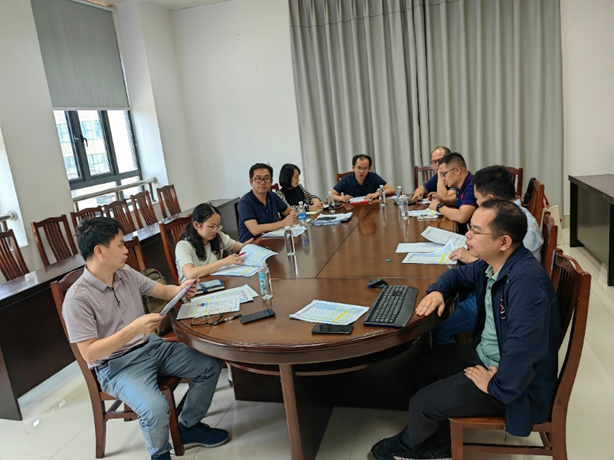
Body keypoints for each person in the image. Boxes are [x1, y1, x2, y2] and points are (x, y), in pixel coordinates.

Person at [370, 200, 561, 460]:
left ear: (504, 241)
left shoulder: (526, 283)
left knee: (421, 403)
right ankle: (441, 433)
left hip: (511, 382)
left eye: (475, 231)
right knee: (422, 364)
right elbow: (457, 276)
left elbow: (525, 350)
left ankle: (407, 446)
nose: (467, 236)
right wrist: (438, 291)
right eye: (469, 228)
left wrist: (496, 386)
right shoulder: (495, 263)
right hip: (487, 354)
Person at [63, 217, 229, 460]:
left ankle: (188, 427)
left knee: (210, 364)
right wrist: (133, 329)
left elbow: (161, 290)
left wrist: (182, 289)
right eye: (120, 245)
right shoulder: (77, 298)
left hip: (150, 347)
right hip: (116, 365)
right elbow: (89, 352)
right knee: (155, 409)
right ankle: (159, 455)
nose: (126, 250)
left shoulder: (124, 273)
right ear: (99, 251)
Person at [435, 165, 545, 345]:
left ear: (491, 199)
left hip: (502, 300)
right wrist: (438, 290)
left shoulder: (521, 235)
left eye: (477, 199)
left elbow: (522, 345)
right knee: (455, 290)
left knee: (439, 326)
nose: (476, 204)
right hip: (491, 288)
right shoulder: (507, 220)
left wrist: (471, 258)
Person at [175, 203, 254, 283]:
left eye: (218, 226)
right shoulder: (183, 246)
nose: (215, 230)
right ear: (196, 225)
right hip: (193, 288)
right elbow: (190, 274)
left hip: (213, 281)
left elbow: (236, 246)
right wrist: (223, 262)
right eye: (211, 227)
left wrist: (245, 246)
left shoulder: (218, 236)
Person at [238, 163, 298, 242]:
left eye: (266, 178)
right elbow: (255, 229)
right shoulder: (245, 202)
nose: (262, 182)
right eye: (258, 178)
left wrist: (293, 215)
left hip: (272, 239)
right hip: (252, 244)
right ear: (251, 182)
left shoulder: (272, 196)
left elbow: (289, 211)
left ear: (271, 181)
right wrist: (283, 223)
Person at [428, 152, 477, 234]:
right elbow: (460, 200)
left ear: (457, 170)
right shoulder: (464, 183)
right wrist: (442, 200)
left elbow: (462, 216)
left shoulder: (472, 186)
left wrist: (438, 206)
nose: (443, 179)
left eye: (444, 174)